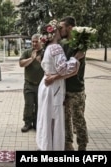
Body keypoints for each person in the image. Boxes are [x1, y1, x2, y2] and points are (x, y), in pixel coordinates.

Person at [36, 20, 84, 151]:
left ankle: (45, 145)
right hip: (54, 88)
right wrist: (76, 58)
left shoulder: (47, 48)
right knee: (54, 118)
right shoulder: (56, 47)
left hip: (46, 85)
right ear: (55, 31)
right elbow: (64, 69)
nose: (62, 30)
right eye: (60, 28)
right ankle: (53, 147)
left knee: (46, 117)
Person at [59, 16, 89, 151]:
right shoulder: (64, 44)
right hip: (64, 89)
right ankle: (68, 145)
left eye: (62, 27)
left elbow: (72, 67)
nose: (60, 29)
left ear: (69, 27)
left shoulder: (80, 45)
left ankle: (82, 147)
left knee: (78, 121)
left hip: (76, 90)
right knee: (65, 120)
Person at [19, 34, 44, 132]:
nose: (34, 44)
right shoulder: (27, 52)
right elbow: (21, 64)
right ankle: (27, 123)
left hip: (41, 85)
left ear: (41, 41)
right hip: (29, 84)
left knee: (39, 105)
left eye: (36, 41)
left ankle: (37, 123)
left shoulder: (45, 52)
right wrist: (31, 58)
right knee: (28, 104)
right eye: (33, 42)